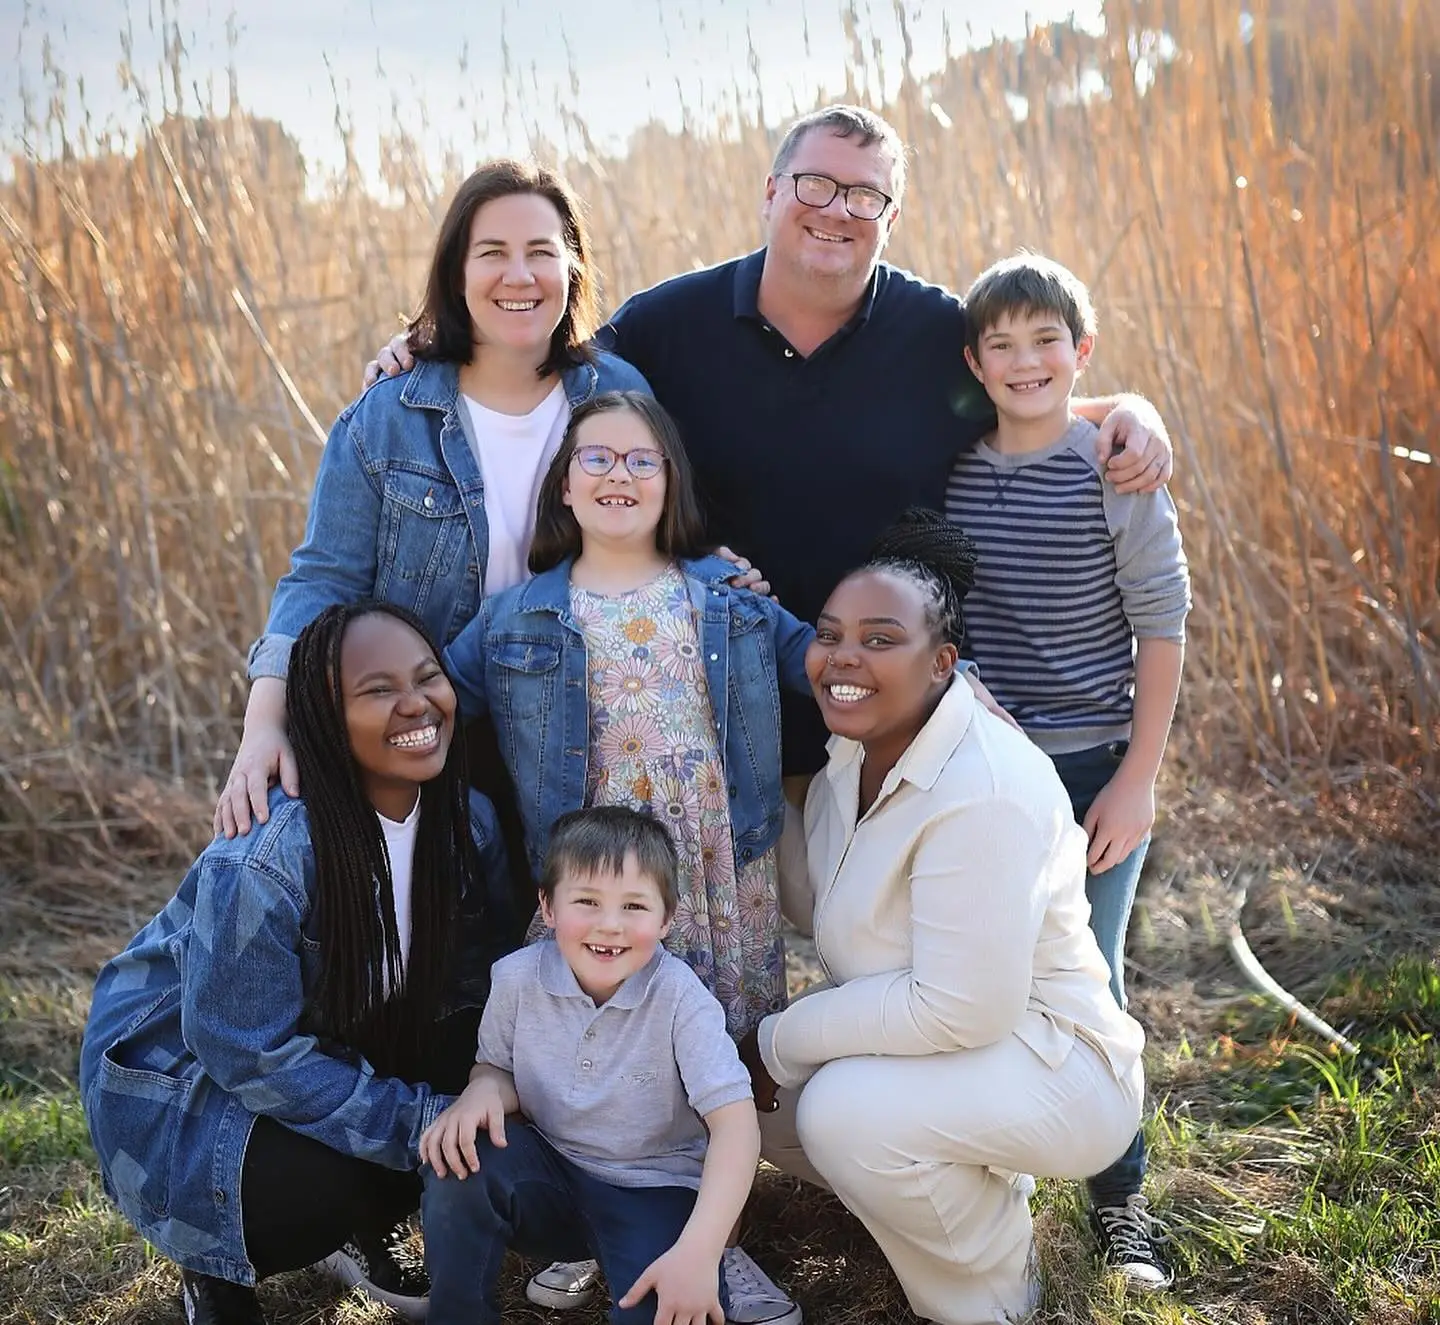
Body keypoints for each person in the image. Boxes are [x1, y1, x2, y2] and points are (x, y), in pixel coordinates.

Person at [366, 102, 1178, 1325]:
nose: (837, 208)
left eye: (865, 194)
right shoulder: (675, 325)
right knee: (752, 953)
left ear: (889, 215)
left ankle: (1112, 1196)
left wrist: (1128, 413)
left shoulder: (924, 329)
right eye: (818, 182)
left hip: (873, 710)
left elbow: (1027, 382)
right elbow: (557, 359)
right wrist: (432, 337)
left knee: (1045, 962)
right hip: (732, 715)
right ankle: (689, 1176)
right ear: (771, 187)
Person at [740, 511, 1148, 1325]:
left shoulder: (985, 785)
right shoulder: (852, 756)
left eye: (881, 638)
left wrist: (776, 1039)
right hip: (962, 1056)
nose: (844, 657)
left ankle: (994, 1291)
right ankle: (959, 1181)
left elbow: (962, 1005)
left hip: (1060, 1067)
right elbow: (816, 898)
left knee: (836, 1109)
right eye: (829, 635)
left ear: (943, 662)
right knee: (743, 1107)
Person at [79, 602, 517, 1325]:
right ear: (321, 715)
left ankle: (368, 1223)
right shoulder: (265, 858)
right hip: (184, 1076)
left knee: (473, 1073)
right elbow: (243, 1048)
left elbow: (487, 986)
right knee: (313, 1188)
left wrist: (484, 1085)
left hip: (334, 1032)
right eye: (377, 689)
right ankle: (214, 1266)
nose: (415, 703)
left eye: (428, 677)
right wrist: (421, 1121)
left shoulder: (467, 822)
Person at [215, 158, 650, 844]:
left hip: (585, 726)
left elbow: (662, 541)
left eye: (541, 252)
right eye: (492, 254)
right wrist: (264, 721)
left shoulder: (618, 394)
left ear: (572, 269)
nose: (519, 275)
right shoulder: (389, 417)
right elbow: (324, 579)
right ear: (457, 272)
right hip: (432, 730)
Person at [945, 254, 1190, 1288]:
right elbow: (939, 611)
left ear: (1080, 352)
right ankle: (999, 1166)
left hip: (1096, 767)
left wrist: (1138, 775)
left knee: (1092, 977)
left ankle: (1119, 1197)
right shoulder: (951, 471)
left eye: (1046, 340)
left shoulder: (1113, 465)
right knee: (991, 972)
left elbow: (1163, 625)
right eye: (999, 344)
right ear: (973, 362)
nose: (1024, 360)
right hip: (993, 771)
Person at [442, 390, 814, 1042]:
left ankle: (730, 1136)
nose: (620, 474)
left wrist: (950, 681)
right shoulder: (514, 619)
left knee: (730, 1045)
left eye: (645, 461)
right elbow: (428, 704)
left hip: (717, 857)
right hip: (598, 867)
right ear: (564, 484)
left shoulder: (728, 598)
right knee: (605, 1037)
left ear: (672, 484)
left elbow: (833, 666)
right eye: (598, 457)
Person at [419, 806, 761, 1325]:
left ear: (667, 918)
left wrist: (700, 1250)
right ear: (548, 907)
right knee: (460, 1160)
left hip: (653, 1188)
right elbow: (495, 1067)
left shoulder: (680, 999)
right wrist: (483, 1091)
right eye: (587, 901)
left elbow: (736, 1127)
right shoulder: (516, 979)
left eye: (634, 906)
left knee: (671, 1305)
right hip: (549, 1172)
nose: (609, 925)